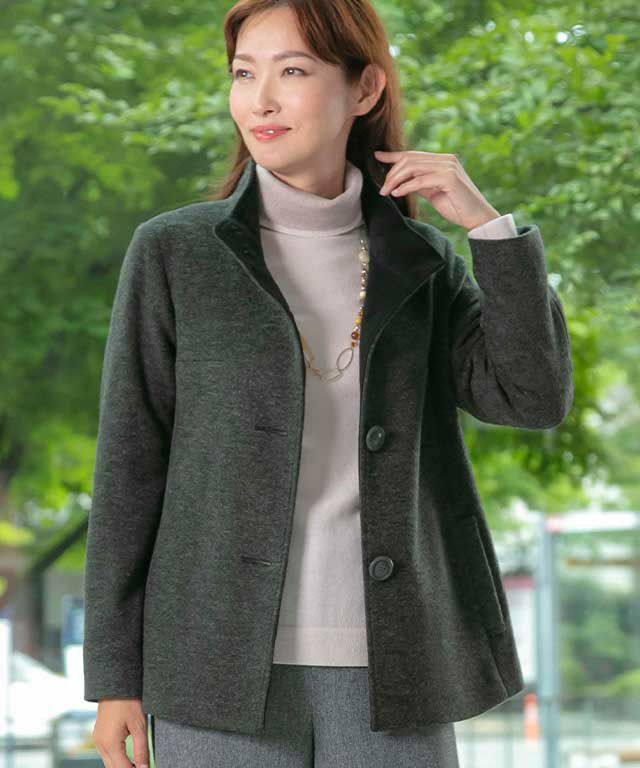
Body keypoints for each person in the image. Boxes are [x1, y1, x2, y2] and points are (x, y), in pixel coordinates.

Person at [84, 0, 574, 766]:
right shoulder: (176, 254)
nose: (260, 100)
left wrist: (489, 232)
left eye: (292, 71)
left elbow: (532, 396)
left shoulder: (422, 262)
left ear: (365, 88)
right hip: (213, 667)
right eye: (243, 74)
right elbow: (128, 468)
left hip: (398, 668)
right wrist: (115, 679)